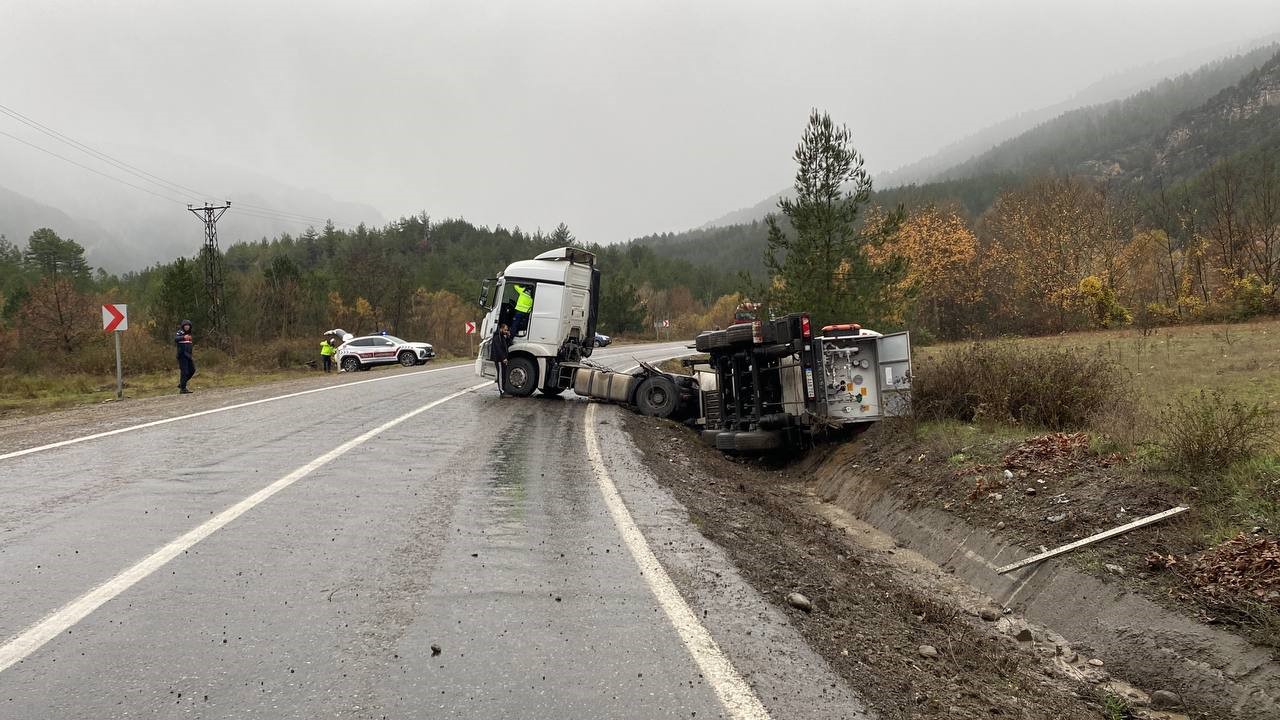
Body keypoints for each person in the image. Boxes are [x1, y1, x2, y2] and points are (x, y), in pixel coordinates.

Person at [491, 322, 512, 397]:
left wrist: (508, 336)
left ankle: (504, 390)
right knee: (500, 375)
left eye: (507, 330)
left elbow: (508, 344)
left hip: (503, 359)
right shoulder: (497, 337)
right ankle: (502, 392)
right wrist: (503, 358)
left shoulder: (502, 336)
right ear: (501, 329)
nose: (506, 331)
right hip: (499, 359)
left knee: (504, 375)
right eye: (505, 330)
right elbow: (498, 349)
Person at [175, 319, 195, 394]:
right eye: (185, 326)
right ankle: (183, 389)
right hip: (182, 355)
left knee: (192, 370)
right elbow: (176, 339)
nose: (187, 327)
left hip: (188, 355)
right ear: (183, 326)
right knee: (184, 372)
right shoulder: (180, 332)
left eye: (188, 326)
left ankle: (182, 384)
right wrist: (183, 337)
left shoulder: (189, 334)